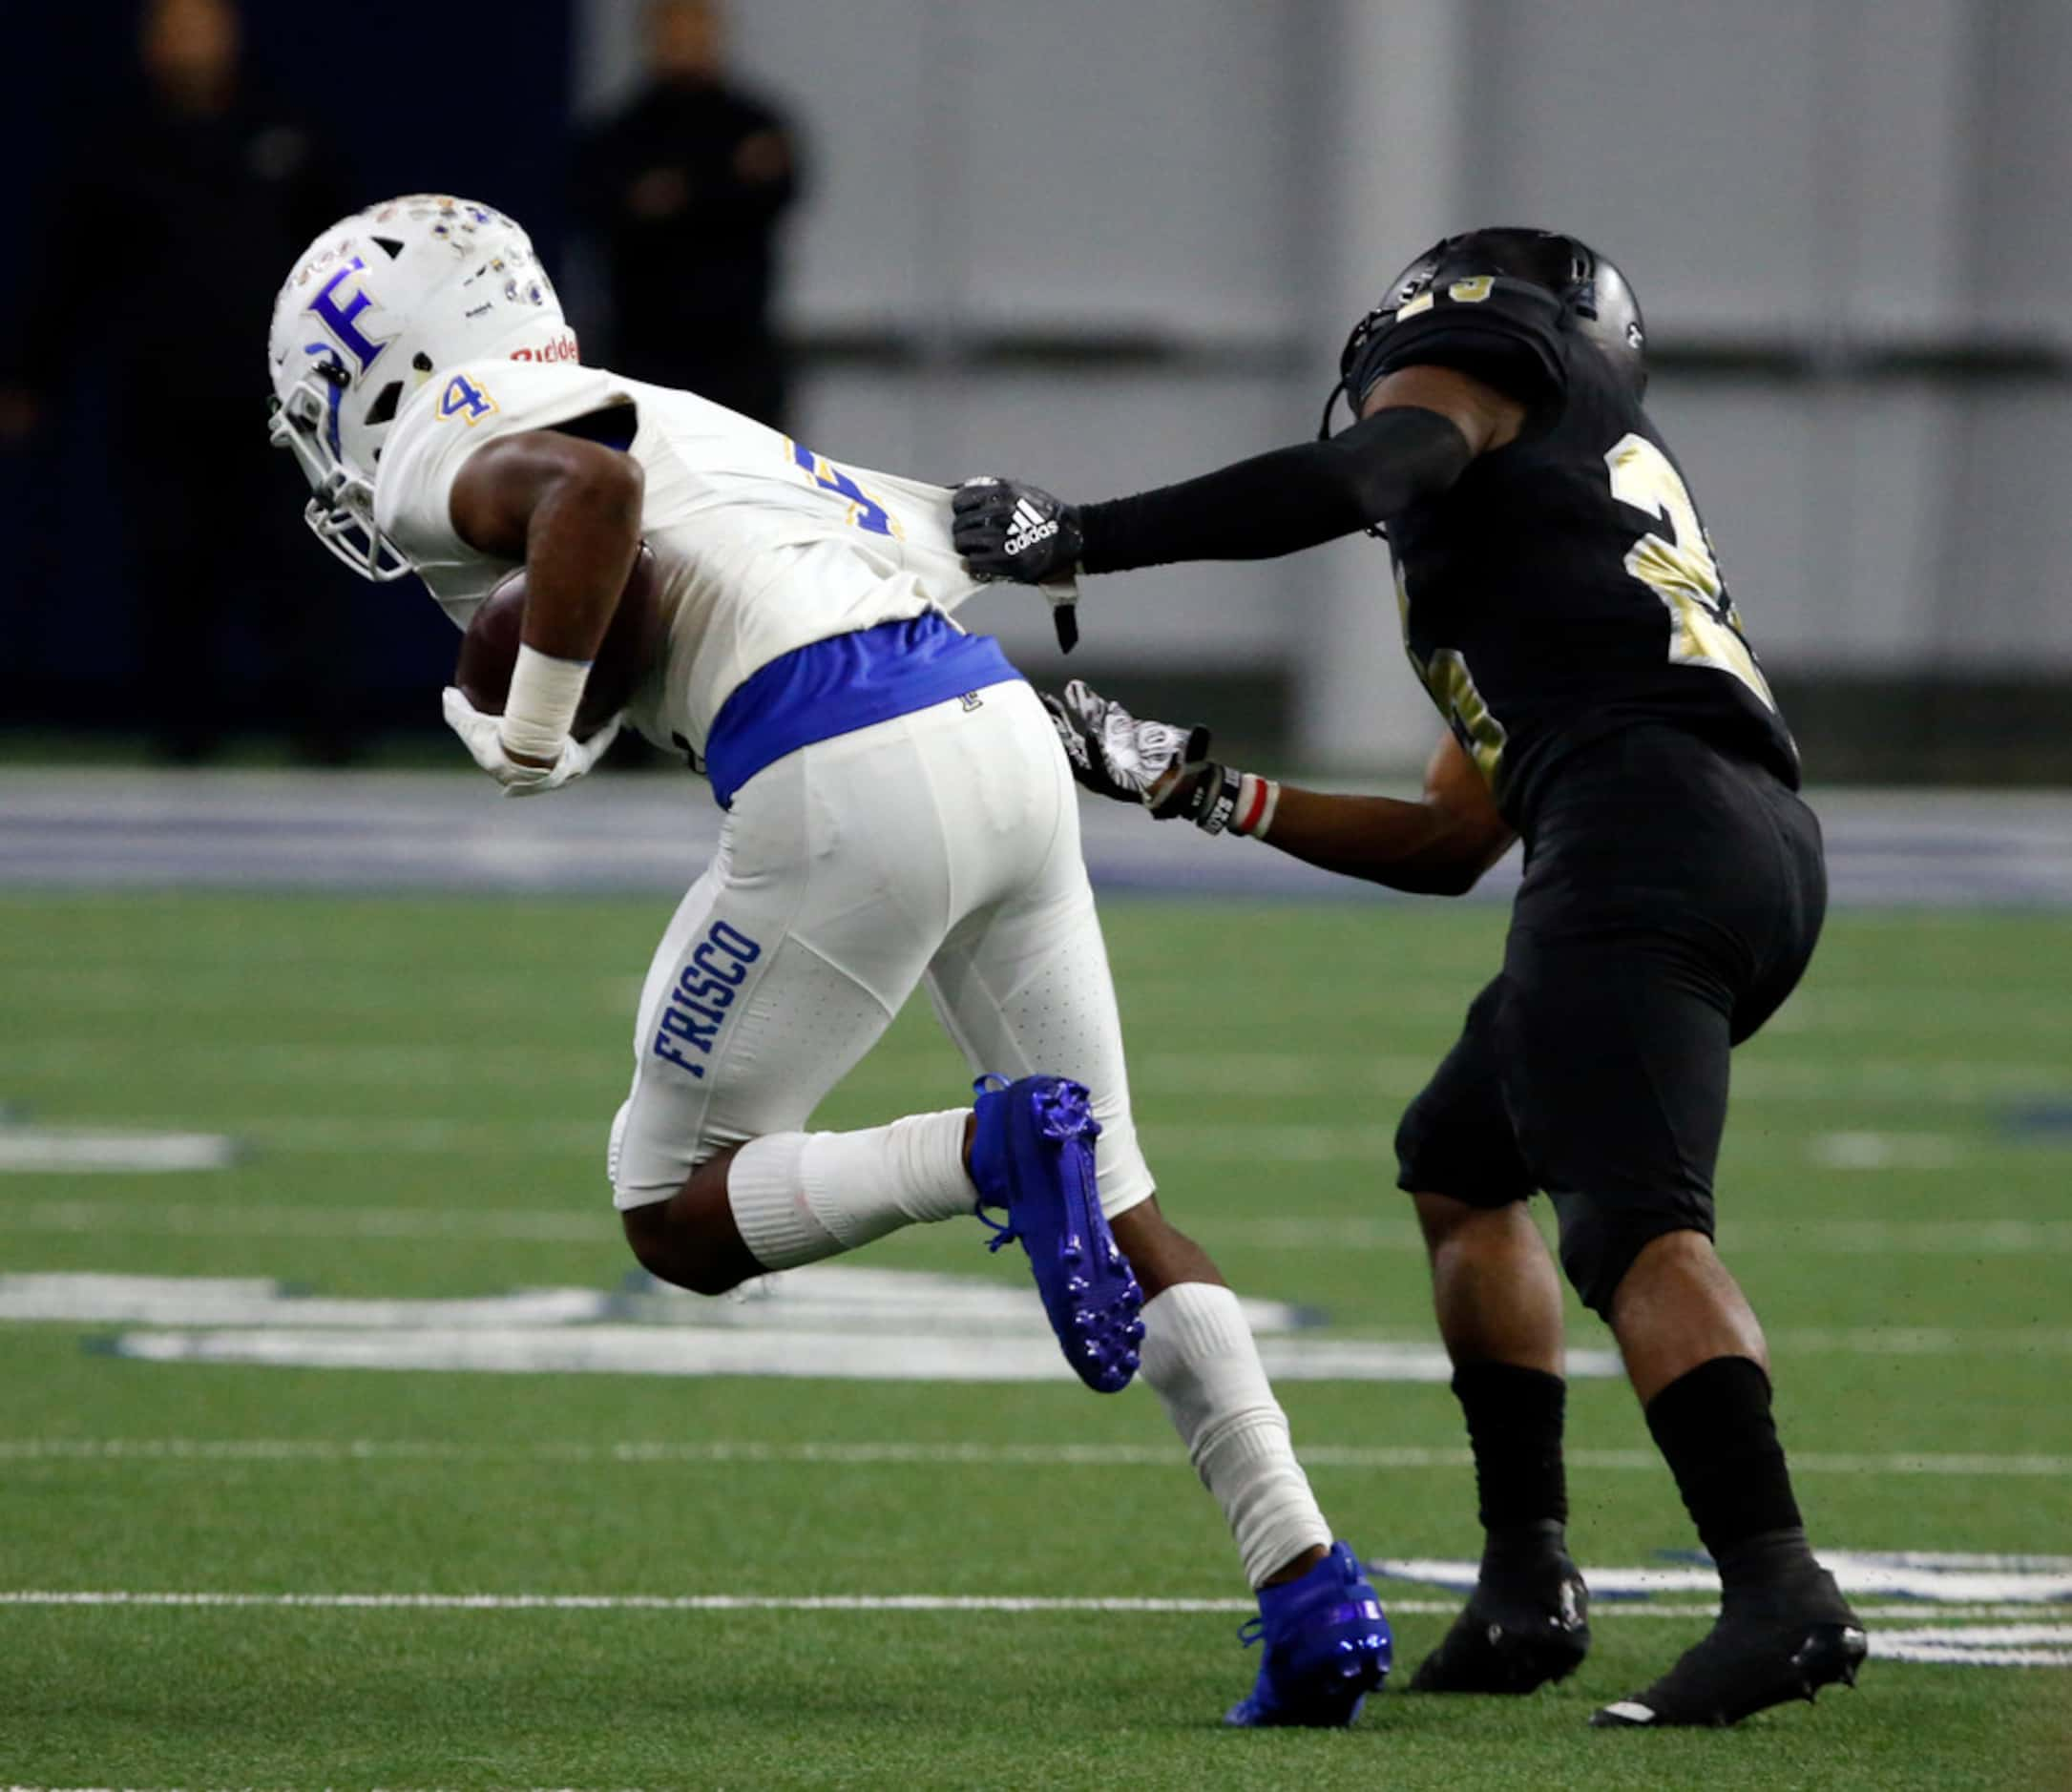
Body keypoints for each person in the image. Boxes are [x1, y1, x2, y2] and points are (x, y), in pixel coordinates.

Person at [264, 194, 1392, 1728]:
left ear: (373, 371)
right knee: (1121, 1199)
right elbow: (706, 559)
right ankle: (1307, 1583)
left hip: (838, 759)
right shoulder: (682, 412)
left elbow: (587, 504)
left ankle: (983, 1152)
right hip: (986, 729)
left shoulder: (439, 453)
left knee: (670, 1207)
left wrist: (523, 730)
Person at [950, 227, 1869, 1729]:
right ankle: (1527, 1580)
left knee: (1636, 1227)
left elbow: (1360, 474)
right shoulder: (1563, 516)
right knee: (1459, 1156)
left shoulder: (1478, 391)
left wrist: (1080, 536)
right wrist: (1197, 788)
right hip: (1727, 838)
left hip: (1641, 835)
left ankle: (1778, 1589)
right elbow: (1450, 834)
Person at [2, 0, 353, 761]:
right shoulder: (117, 146)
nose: (189, 43)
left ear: (229, 34)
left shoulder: (289, 131)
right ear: (150, 44)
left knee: (297, 568)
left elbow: (349, 261)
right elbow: (70, 275)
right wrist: (30, 376)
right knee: (174, 569)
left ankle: (324, 736)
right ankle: (183, 739)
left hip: (281, 406)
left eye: (203, 25)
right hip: (162, 398)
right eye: (174, 28)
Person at [574, 0, 800, 427]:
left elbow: (778, 192)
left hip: (741, 360)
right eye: (673, 26)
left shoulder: (757, 121)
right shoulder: (618, 135)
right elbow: (602, 211)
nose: (685, 39)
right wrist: (727, 182)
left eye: (696, 25)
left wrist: (677, 195)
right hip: (645, 358)